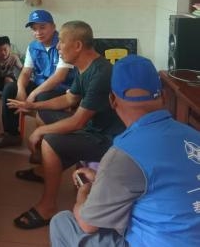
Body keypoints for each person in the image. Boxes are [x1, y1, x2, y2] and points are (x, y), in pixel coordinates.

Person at [50, 55, 200, 246]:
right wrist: (102, 179)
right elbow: (163, 183)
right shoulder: (194, 135)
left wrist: (83, 196)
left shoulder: (124, 153)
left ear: (112, 100)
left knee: (63, 222)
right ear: (164, 96)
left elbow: (88, 225)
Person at [6, 21, 125, 230]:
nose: (58, 46)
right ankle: (44, 170)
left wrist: (40, 131)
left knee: (50, 141)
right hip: (91, 127)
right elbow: (70, 99)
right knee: (44, 108)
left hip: (107, 139)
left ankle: (48, 207)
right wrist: (32, 105)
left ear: (77, 45)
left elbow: (78, 121)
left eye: (61, 41)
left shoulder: (101, 73)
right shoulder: (85, 67)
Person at [0, 10, 77, 148]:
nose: (38, 32)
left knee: (42, 97)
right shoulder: (33, 47)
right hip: (41, 86)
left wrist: (32, 95)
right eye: (34, 29)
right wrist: (21, 90)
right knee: (10, 89)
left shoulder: (62, 44)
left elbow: (59, 77)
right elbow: (26, 72)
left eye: (42, 27)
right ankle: (12, 134)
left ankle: (44, 142)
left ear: (53, 26)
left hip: (62, 90)